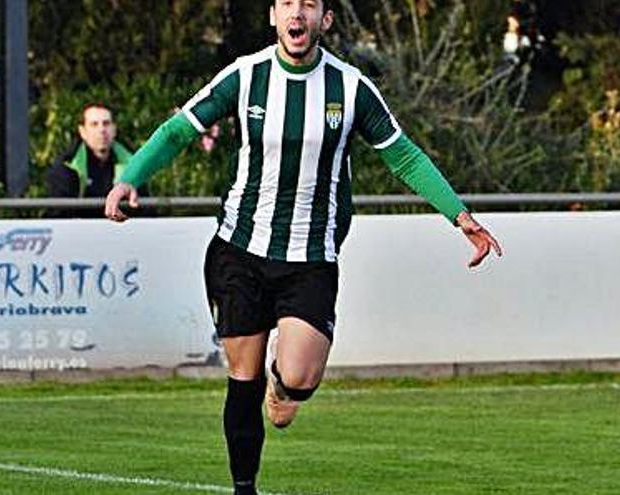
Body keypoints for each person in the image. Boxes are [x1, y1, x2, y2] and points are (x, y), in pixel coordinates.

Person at [105, 1, 502, 493]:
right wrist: (130, 178)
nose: (298, 14)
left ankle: (285, 384)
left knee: (299, 378)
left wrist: (459, 215)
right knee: (242, 377)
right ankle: (244, 487)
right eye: (288, 4)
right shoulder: (244, 76)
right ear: (274, 16)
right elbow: (179, 130)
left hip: (311, 258)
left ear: (324, 20)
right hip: (240, 249)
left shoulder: (351, 87)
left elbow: (404, 156)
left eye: (309, 5)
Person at [46, 103, 147, 215]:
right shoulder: (67, 165)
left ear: (114, 129)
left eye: (106, 123)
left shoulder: (133, 163)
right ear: (82, 131)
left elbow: (144, 209)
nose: (102, 130)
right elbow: (60, 213)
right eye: (94, 124)